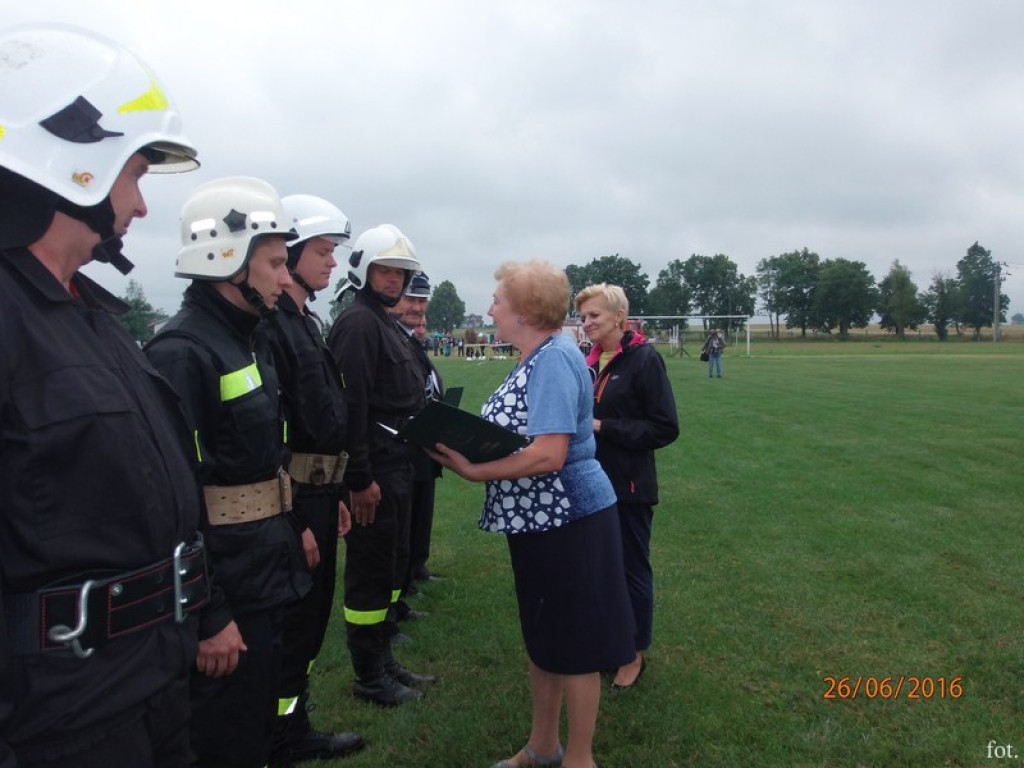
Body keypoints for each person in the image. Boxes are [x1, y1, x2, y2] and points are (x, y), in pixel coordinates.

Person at [0, 23, 211, 768]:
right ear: (74, 163)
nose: (143, 208)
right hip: (57, 722)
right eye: (137, 175)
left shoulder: (93, 317)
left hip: (150, 683)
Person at [429, 259, 634, 768]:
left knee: (577, 645)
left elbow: (549, 454)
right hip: (541, 520)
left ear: (522, 311)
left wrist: (477, 471)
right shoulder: (539, 356)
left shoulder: (554, 359)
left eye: (497, 300)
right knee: (545, 637)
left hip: (571, 520)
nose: (490, 309)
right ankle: (543, 747)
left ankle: (579, 759)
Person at [145, 177, 312, 768]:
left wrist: (295, 527)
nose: (285, 277)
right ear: (226, 260)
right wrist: (209, 610)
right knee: (223, 734)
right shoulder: (182, 352)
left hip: (263, 565)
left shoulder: (247, 338)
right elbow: (169, 498)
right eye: (273, 264)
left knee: (257, 719)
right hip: (225, 585)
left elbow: (261, 457)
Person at [261, 195, 365, 763]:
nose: (331, 263)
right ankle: (278, 738)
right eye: (322, 252)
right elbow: (273, 432)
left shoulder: (306, 321)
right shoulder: (273, 327)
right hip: (296, 500)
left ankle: (294, 727)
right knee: (293, 623)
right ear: (294, 251)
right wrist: (296, 515)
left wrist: (338, 492)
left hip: (323, 493)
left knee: (311, 621)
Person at [326, 225, 436, 707]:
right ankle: (369, 677)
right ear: (364, 270)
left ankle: (384, 657)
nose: (394, 280)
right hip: (374, 472)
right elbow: (352, 407)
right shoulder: (358, 324)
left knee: (390, 566)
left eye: (401, 272)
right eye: (385, 269)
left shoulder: (383, 322)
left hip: (396, 466)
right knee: (370, 573)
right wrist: (360, 479)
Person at [574, 283, 679, 690]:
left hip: (629, 485)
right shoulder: (590, 360)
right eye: (583, 317)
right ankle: (609, 642)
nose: (587, 324)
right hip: (589, 481)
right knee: (599, 568)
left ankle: (633, 654)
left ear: (620, 317)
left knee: (630, 569)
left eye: (595, 316)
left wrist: (603, 426)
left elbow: (665, 427)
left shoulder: (644, 360)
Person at [393, 273, 444, 592]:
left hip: (424, 440)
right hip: (402, 444)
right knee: (405, 517)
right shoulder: (391, 337)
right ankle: (404, 574)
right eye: (412, 299)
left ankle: (415, 565)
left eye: (422, 301)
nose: (418, 307)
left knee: (421, 509)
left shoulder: (411, 340)